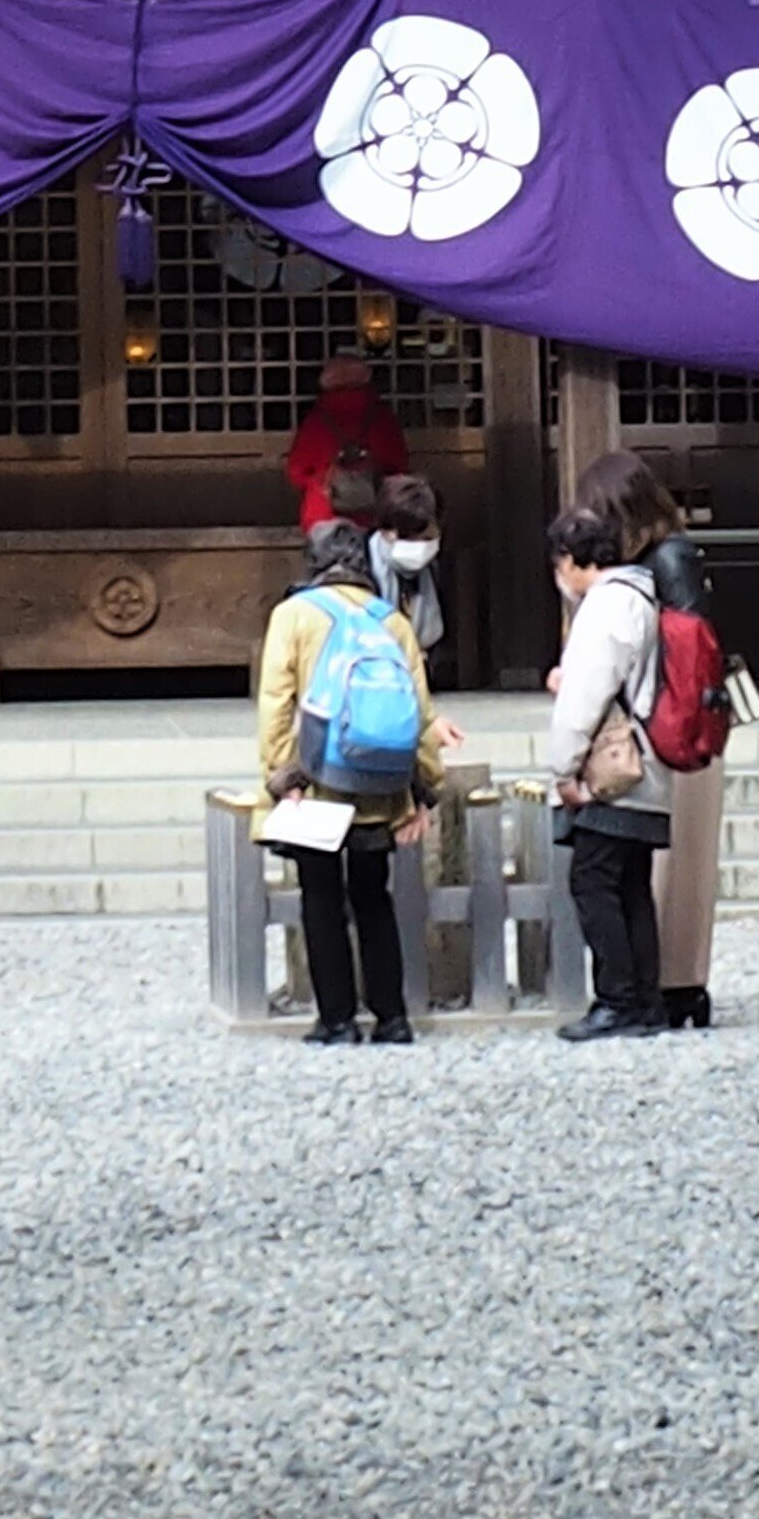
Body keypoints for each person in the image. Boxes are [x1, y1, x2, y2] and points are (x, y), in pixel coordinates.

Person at [255, 511, 445, 1046]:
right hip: (381, 779)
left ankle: (336, 1018)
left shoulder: (294, 615)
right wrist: (423, 788)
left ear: (313, 564)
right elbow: (421, 711)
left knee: (321, 895)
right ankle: (392, 1016)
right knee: (372, 895)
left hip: (318, 780)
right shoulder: (393, 621)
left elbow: (276, 701)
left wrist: (281, 774)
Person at [576, 446, 730, 1030]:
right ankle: (668, 983)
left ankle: (676, 982)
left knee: (674, 863)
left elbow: (685, 656)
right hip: (685, 719)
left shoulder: (667, 561)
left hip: (678, 722)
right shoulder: (673, 554)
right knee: (663, 866)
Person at [543, 500, 669, 1039]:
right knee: (631, 886)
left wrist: (564, 769)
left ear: (572, 559)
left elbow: (587, 696)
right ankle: (645, 1000)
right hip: (649, 762)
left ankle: (617, 999)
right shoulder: (644, 596)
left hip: (616, 769)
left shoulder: (607, 605)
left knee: (593, 881)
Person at [283, 350, 409, 524]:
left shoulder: (317, 421)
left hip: (325, 515)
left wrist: (321, 482)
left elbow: (296, 471)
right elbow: (400, 466)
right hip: (377, 513)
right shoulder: (382, 417)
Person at [368, 471, 446, 664]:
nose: (423, 547)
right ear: (388, 532)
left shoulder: (433, 570)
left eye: (429, 539)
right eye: (413, 539)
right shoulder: (362, 565)